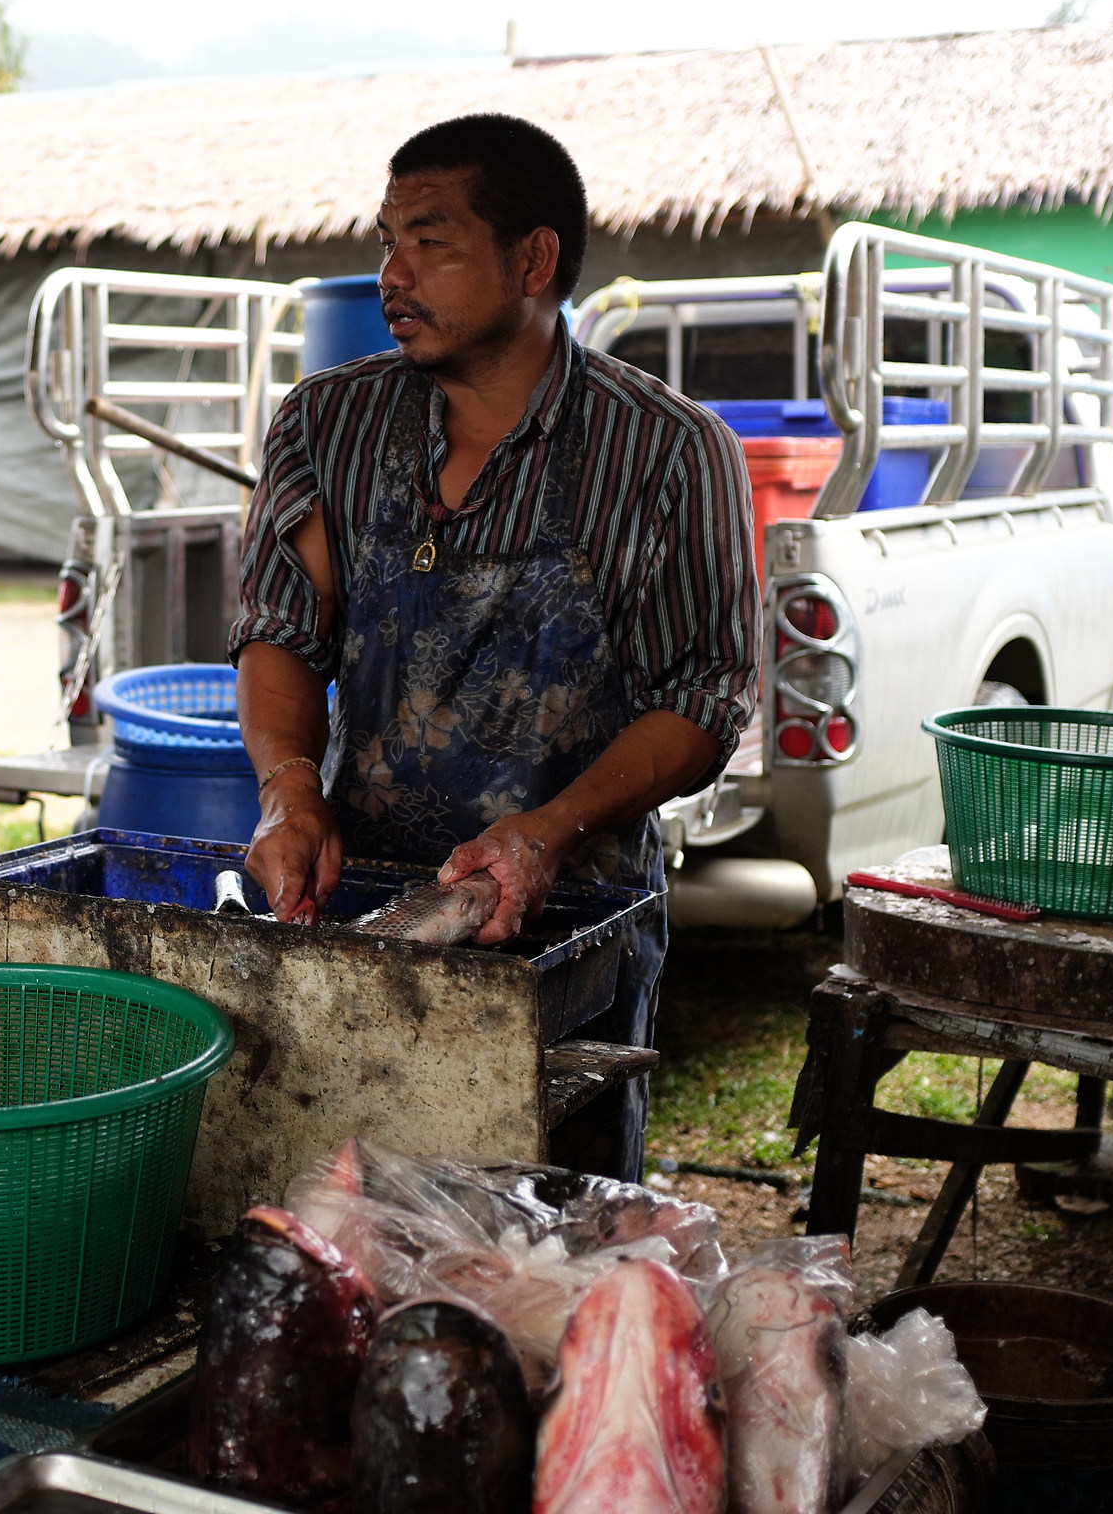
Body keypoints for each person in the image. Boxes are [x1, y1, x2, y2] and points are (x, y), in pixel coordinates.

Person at [232, 115, 758, 1179]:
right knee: (360, 1223)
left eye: (430, 242)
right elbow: (283, 632)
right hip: (369, 920)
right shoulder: (325, 425)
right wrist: (289, 789)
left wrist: (548, 832)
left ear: (534, 258)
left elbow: (702, 701)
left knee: (548, 1256)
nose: (391, 274)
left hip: (572, 932)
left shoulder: (665, 449)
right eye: (386, 240)